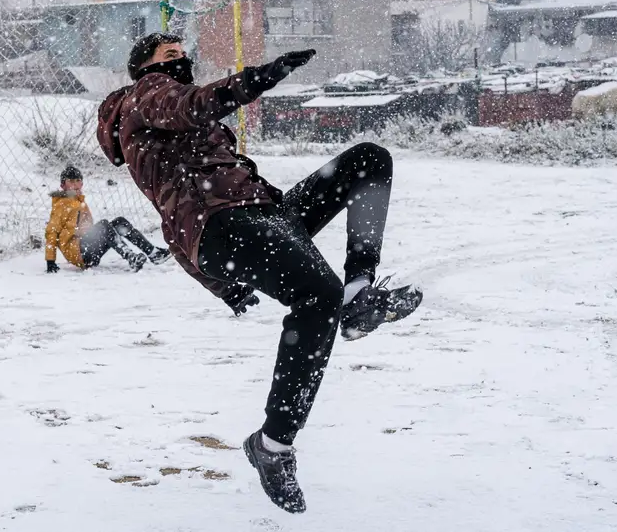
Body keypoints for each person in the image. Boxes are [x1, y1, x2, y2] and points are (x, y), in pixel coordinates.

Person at [96, 32, 422, 514]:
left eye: (183, 54)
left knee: (368, 161)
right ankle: (272, 445)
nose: (181, 60)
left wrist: (223, 284)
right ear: (144, 67)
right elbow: (192, 110)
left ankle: (357, 289)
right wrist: (258, 79)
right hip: (220, 224)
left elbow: (195, 135)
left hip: (264, 215)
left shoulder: (169, 107)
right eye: (169, 56)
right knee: (317, 297)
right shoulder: (145, 96)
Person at [43, 164, 170, 273]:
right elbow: (51, 231)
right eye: (71, 181)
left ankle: (154, 253)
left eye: (77, 180)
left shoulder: (78, 201)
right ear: (63, 185)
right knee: (104, 225)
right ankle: (130, 257)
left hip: (88, 248)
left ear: (82, 183)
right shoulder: (62, 204)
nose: (75, 185)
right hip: (79, 253)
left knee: (119, 221)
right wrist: (50, 261)